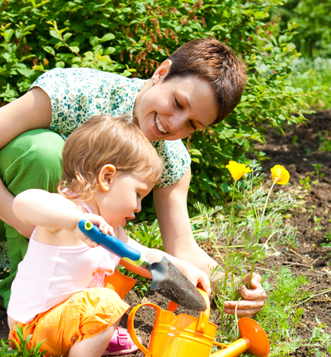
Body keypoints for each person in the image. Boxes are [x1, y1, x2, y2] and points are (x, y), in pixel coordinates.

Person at [0, 37, 266, 313]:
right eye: (177, 103)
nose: (173, 125)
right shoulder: (77, 92)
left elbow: (181, 248)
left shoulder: (171, 159)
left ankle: (62, 314)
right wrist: (23, 220)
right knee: (44, 151)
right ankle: (25, 314)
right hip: (15, 213)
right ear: (161, 73)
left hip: (62, 257)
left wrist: (235, 284)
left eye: (192, 124)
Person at [7, 115, 211, 357]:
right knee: (106, 300)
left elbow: (145, 259)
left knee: (111, 282)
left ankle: (89, 336)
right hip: (32, 332)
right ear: (107, 177)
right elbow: (23, 203)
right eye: (138, 194)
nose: (139, 208)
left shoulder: (112, 231)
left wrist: (185, 269)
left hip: (60, 324)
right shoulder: (68, 212)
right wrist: (74, 221)